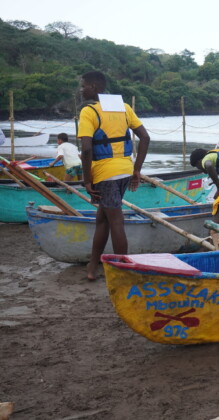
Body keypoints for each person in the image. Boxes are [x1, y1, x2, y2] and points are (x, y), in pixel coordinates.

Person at [78, 71, 150, 281]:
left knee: (116, 221)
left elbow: (87, 149)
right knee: (103, 219)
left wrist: (87, 179)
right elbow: (145, 138)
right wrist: (136, 169)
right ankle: (92, 266)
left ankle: (123, 271)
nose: (81, 90)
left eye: (83, 86)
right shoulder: (125, 108)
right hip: (124, 171)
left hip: (104, 175)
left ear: (94, 87)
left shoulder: (88, 112)